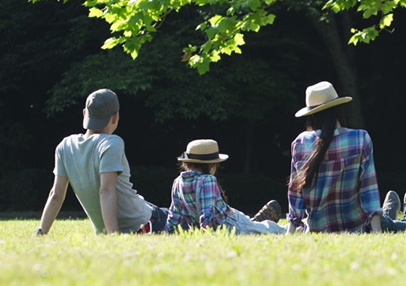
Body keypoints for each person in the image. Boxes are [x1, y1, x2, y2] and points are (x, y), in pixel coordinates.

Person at [286, 81, 406, 234]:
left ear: (311, 115)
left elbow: (295, 194)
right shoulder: (360, 138)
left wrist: (290, 233)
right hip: (356, 227)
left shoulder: (300, 143)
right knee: (388, 225)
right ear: (338, 109)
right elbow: (368, 190)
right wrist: (378, 234)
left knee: (382, 221)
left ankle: (387, 214)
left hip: (316, 230)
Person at [36, 89, 168, 235]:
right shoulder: (111, 143)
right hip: (145, 223)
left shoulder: (65, 146)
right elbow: (106, 190)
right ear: (115, 117)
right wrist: (113, 235)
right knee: (185, 219)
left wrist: (41, 232)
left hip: (145, 212)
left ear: (85, 114)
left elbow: (56, 194)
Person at [165, 139, 286, 235]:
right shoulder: (207, 180)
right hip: (230, 223)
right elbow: (207, 213)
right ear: (212, 165)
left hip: (227, 221)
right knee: (267, 230)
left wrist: (168, 232)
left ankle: (262, 225)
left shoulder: (178, 182)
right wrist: (207, 233)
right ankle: (292, 228)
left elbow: (175, 213)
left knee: (257, 228)